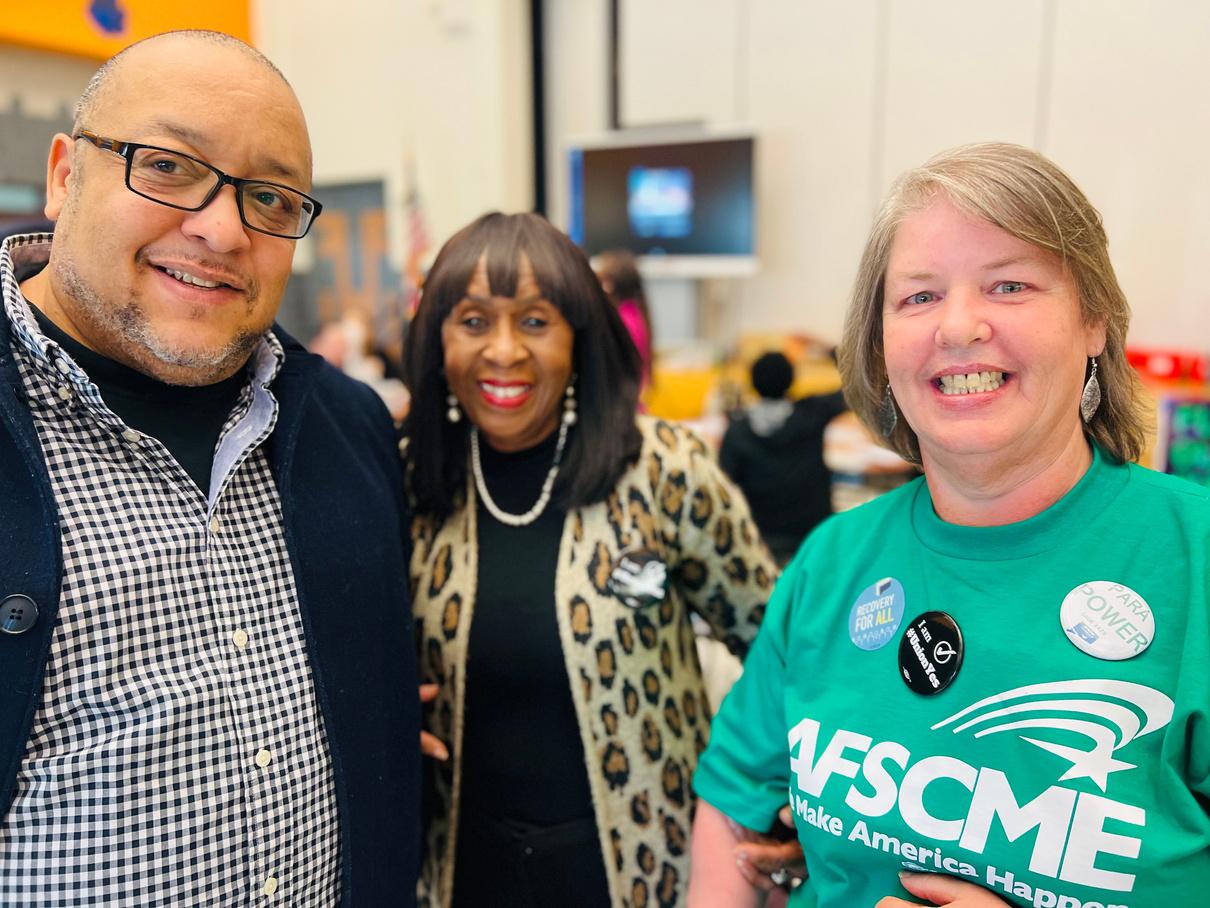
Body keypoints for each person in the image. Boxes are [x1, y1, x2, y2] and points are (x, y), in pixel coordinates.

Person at [689, 142, 1210, 907]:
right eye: (919, 297)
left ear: (1094, 320)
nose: (959, 326)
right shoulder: (833, 562)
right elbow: (732, 801)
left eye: (1009, 285)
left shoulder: (1191, 560)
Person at [0, 31, 420, 904]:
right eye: (167, 166)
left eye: (270, 197)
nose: (223, 229)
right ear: (65, 176)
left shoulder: (347, 428)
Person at [402, 212, 776, 908]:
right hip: (462, 874)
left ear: (578, 338)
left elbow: (780, 649)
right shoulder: (408, 482)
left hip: (647, 871)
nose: (504, 350)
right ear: (437, 341)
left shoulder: (662, 469)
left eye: (535, 321)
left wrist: (774, 800)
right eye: (474, 321)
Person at [719, 350, 848, 564]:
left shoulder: (737, 432)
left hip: (760, 539)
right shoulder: (812, 414)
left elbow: (725, 487)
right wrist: (833, 353)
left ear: (752, 382)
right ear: (792, 379)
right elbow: (852, 390)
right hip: (811, 536)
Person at [594, 248, 653, 394]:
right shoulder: (634, 313)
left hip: (622, 400)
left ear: (610, 284)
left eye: (601, 280)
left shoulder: (623, 321)